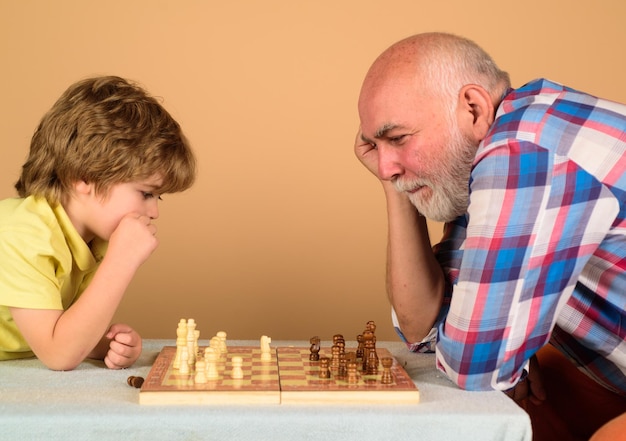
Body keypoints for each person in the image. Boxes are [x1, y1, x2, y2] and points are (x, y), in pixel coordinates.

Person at [354, 32, 626, 441]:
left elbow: (472, 365)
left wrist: (497, 354)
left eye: (397, 139)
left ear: (474, 108)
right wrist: (396, 186)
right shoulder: (488, 158)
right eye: (375, 146)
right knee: (527, 407)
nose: (386, 164)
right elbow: (423, 327)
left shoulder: (524, 150)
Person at [0, 76, 196, 371]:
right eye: (146, 193)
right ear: (85, 178)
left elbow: (61, 330)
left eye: (158, 198)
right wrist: (121, 261)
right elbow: (58, 354)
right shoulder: (21, 233)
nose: (154, 212)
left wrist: (104, 345)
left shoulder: (94, 241)